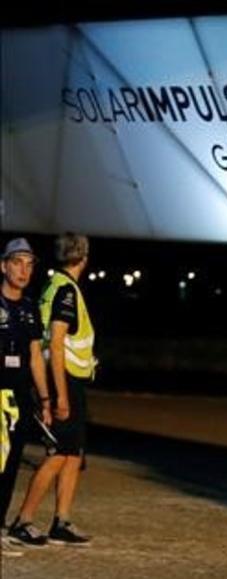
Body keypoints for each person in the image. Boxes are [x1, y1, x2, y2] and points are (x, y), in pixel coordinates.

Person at [8, 233, 96, 547]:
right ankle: (24, 519)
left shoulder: (53, 285)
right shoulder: (66, 292)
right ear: (83, 257)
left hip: (70, 381)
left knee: (73, 453)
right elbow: (56, 345)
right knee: (60, 454)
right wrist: (58, 396)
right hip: (65, 382)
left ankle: (62, 520)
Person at [0, 239, 51, 555]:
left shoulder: (30, 307)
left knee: (11, 465)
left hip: (19, 398)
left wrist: (44, 400)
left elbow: (35, 356)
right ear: (3, 265)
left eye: (29, 264)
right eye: (17, 262)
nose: (24, 270)